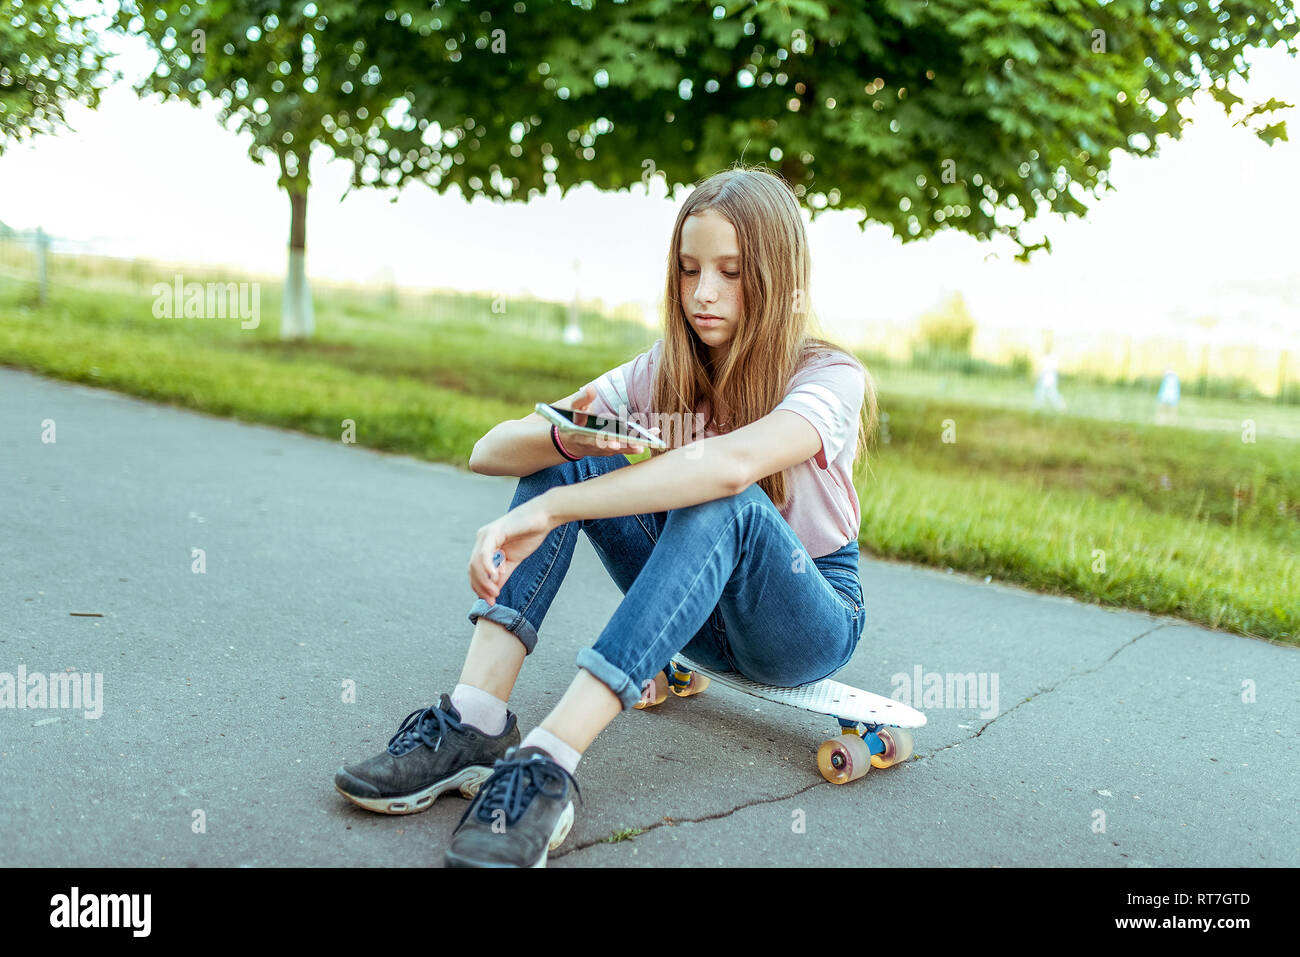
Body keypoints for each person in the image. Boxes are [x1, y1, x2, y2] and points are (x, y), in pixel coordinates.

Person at [332, 165, 877, 867]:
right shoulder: (665, 370)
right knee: (568, 453)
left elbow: (729, 468)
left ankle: (549, 761)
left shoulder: (829, 377)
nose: (702, 293)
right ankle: (475, 718)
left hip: (804, 620)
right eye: (688, 270)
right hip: (697, 615)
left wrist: (557, 509)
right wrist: (575, 437)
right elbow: (489, 449)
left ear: (776, 276)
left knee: (724, 500)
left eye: (731, 271)